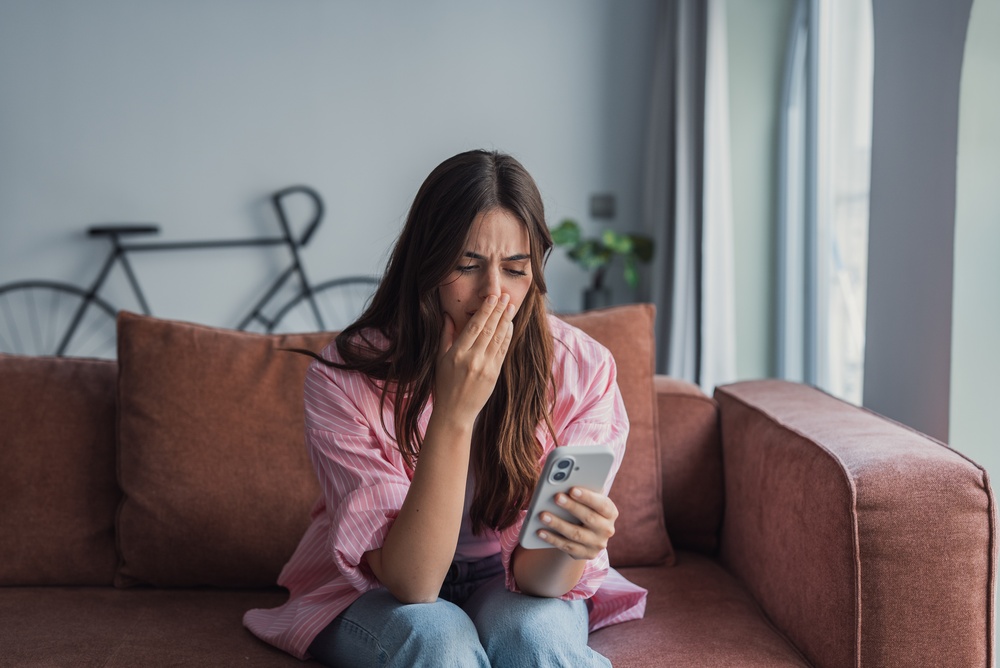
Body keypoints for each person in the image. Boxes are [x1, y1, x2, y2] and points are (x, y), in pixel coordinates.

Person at [244, 149, 646, 666]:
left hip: (511, 581)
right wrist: (455, 414)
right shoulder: (343, 378)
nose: (493, 295)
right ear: (428, 266)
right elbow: (413, 583)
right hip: (385, 586)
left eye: (516, 269)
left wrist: (571, 545)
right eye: (467, 265)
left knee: (537, 639)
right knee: (438, 642)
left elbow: (536, 581)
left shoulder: (582, 368)